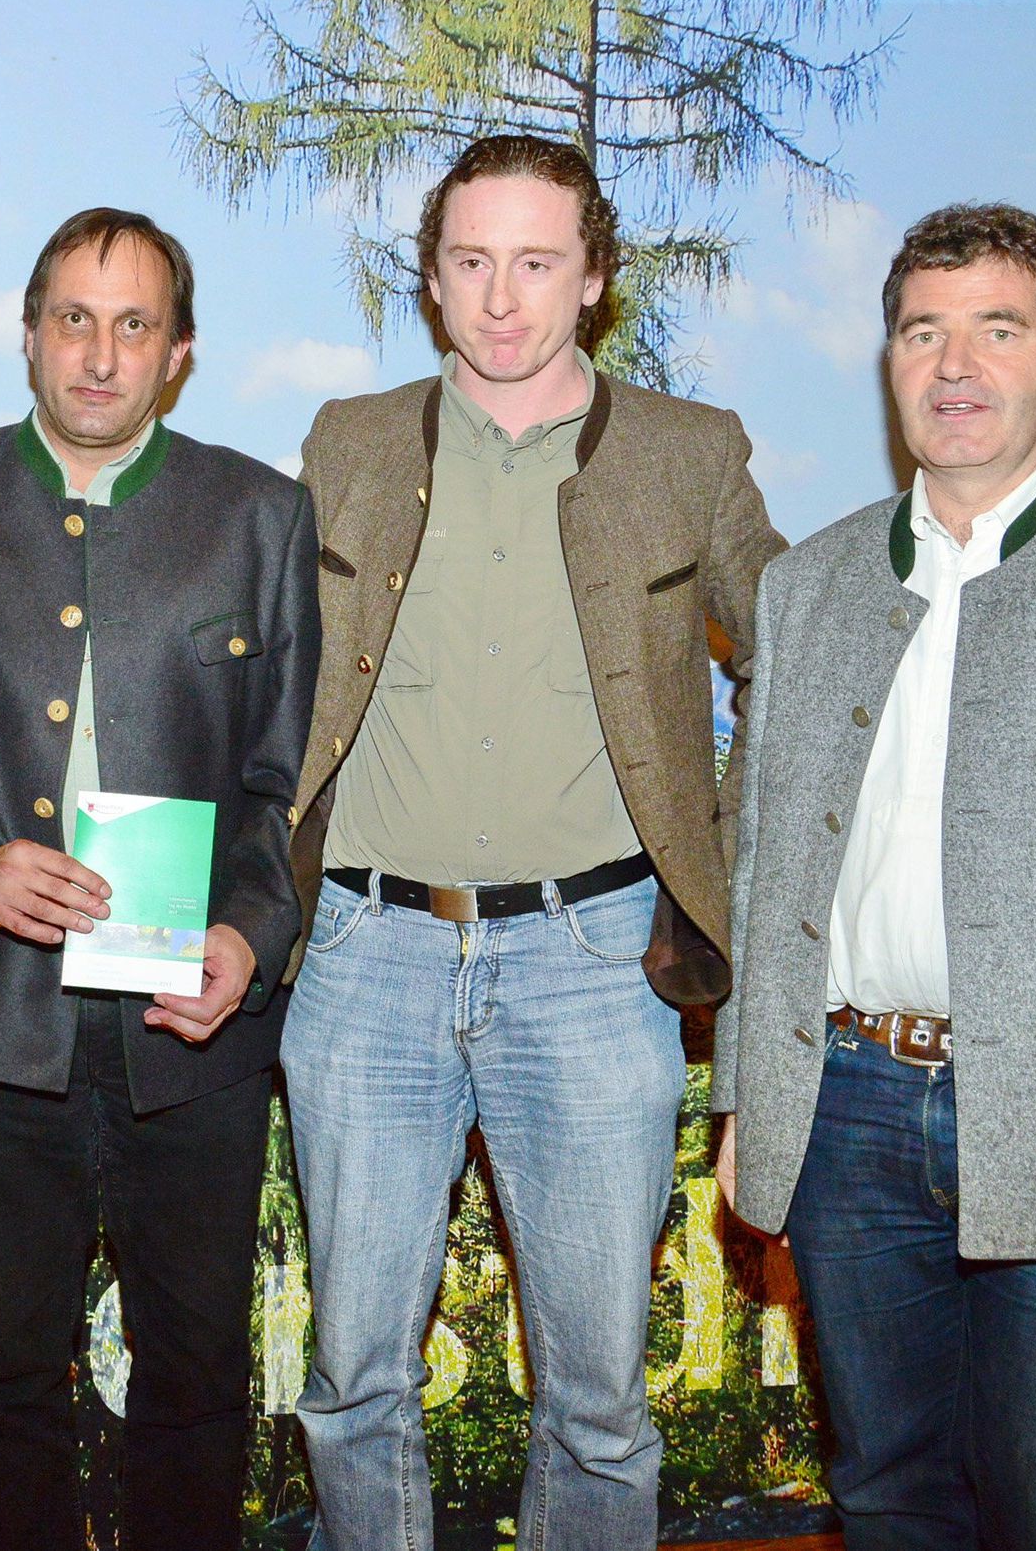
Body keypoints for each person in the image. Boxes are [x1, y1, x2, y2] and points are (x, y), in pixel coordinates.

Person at [280, 134, 785, 1550]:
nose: (503, 298)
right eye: (470, 262)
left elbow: (801, 655)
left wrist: (722, 852)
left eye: (537, 262)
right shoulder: (346, 442)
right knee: (350, 1382)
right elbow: (255, 670)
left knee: (598, 1400)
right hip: (363, 958)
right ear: (431, 283)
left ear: (595, 279)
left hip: (594, 965)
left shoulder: (692, 453)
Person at [0, 207, 319, 1551]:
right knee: (4, 1378)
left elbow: (292, 780)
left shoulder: (259, 515)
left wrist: (251, 930)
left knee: (194, 1374)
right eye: (71, 320)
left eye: (132, 325)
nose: (98, 356)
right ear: (28, 335)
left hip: (194, 1029)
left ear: (178, 352)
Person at [715, 202, 1036, 1549]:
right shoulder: (810, 582)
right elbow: (760, 859)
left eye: (994, 330)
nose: (952, 366)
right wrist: (748, 1098)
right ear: (886, 359)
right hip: (845, 1116)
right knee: (886, 1493)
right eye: (920, 333)